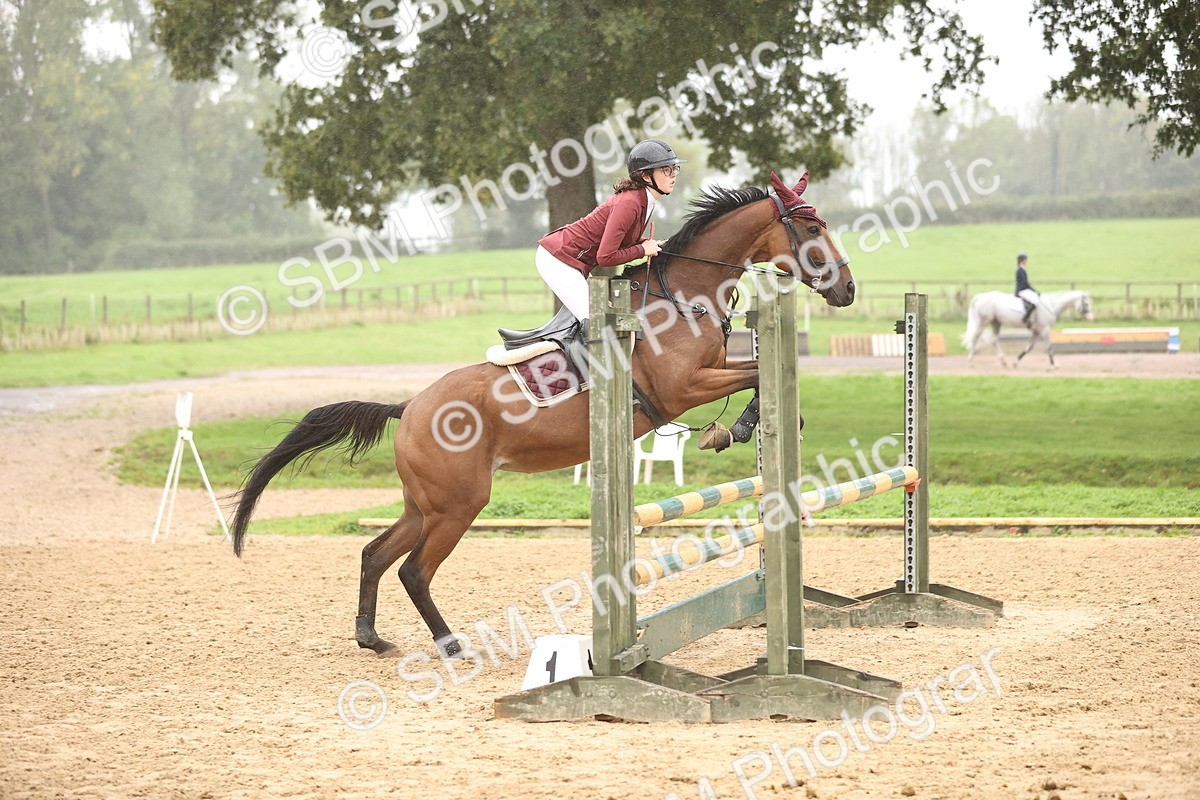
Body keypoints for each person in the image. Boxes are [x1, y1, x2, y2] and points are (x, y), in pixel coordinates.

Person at [536, 139, 685, 328]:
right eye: (666, 170)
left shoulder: (643, 200)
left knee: (609, 318)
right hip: (558, 260)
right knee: (598, 323)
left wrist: (651, 244)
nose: (673, 175)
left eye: (674, 169)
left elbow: (624, 241)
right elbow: (605, 257)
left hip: (572, 261)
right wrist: (642, 249)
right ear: (647, 176)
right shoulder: (630, 203)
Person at [1015, 252, 1039, 325]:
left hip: (1024, 289)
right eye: (1026, 260)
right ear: (1022, 260)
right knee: (1034, 302)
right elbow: (1025, 283)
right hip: (1021, 290)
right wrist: (1033, 290)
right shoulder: (1020, 270)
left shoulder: (1022, 269)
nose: (1027, 261)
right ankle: (1026, 318)